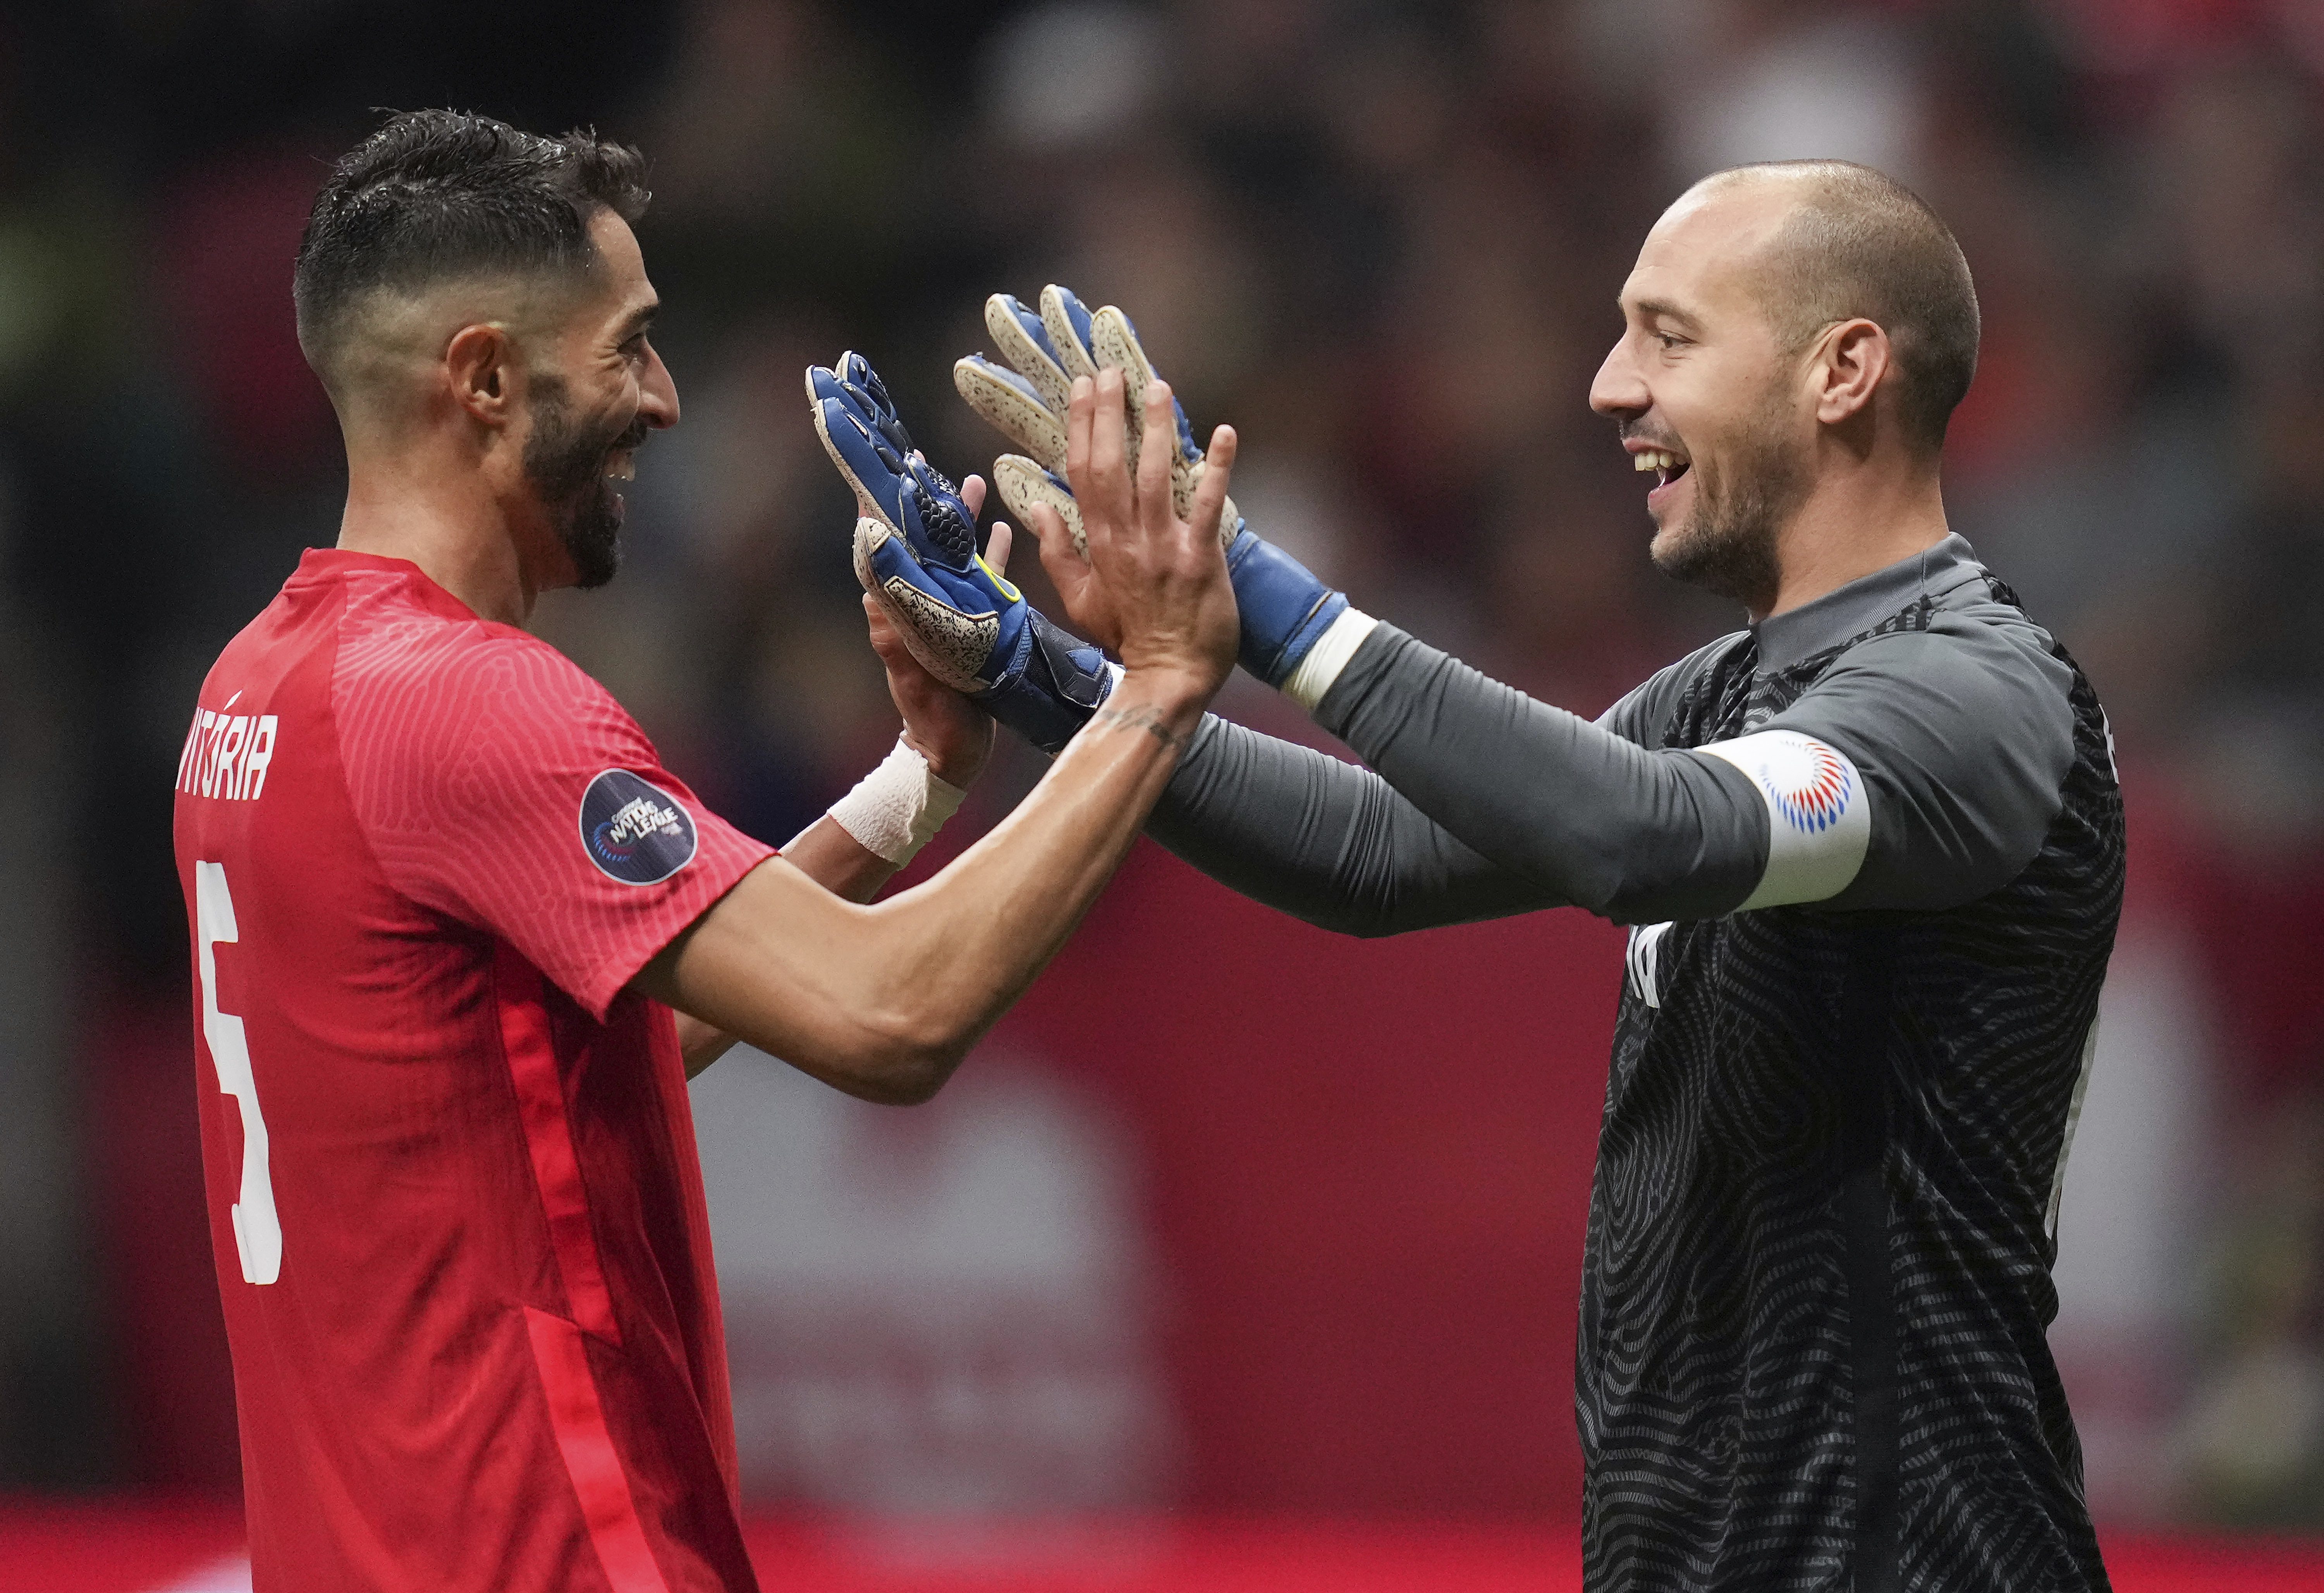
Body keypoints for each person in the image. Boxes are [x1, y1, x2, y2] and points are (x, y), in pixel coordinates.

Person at [852, 162, 2124, 1591]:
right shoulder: (1730, 694)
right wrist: (1050, 676)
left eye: (1668, 335)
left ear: (1841, 371)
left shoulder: (1975, 695)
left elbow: (1635, 836)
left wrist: (1266, 597)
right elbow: (1379, 852)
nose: (1608, 386)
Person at [170, 109, 1237, 1593]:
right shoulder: (467, 704)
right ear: (485, 379)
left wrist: (916, 788)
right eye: (628, 349)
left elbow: (588, 1054)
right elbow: (892, 1015)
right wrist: (1161, 684)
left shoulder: (259, 689)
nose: (665, 402)